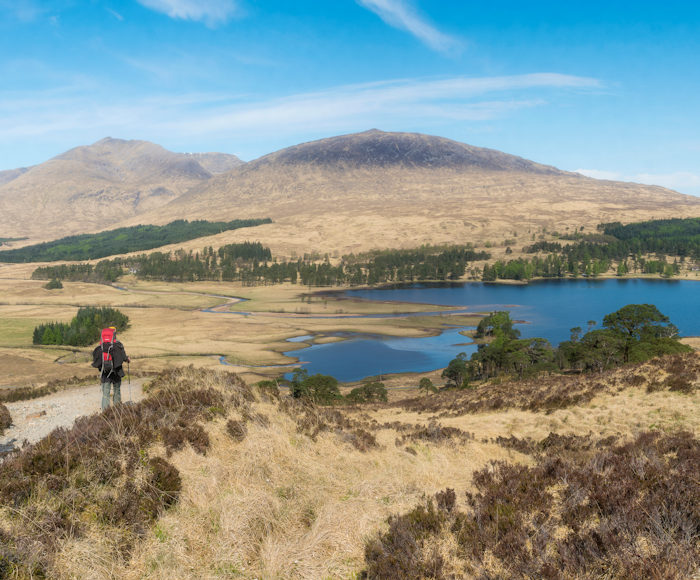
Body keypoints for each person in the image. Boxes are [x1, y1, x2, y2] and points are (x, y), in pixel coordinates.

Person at [91, 326, 130, 410]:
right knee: (117, 390)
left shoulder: (100, 347)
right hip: (117, 372)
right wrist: (127, 359)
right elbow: (124, 357)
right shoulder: (119, 345)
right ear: (114, 335)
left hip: (105, 374)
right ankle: (117, 410)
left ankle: (105, 413)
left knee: (105, 393)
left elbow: (96, 360)